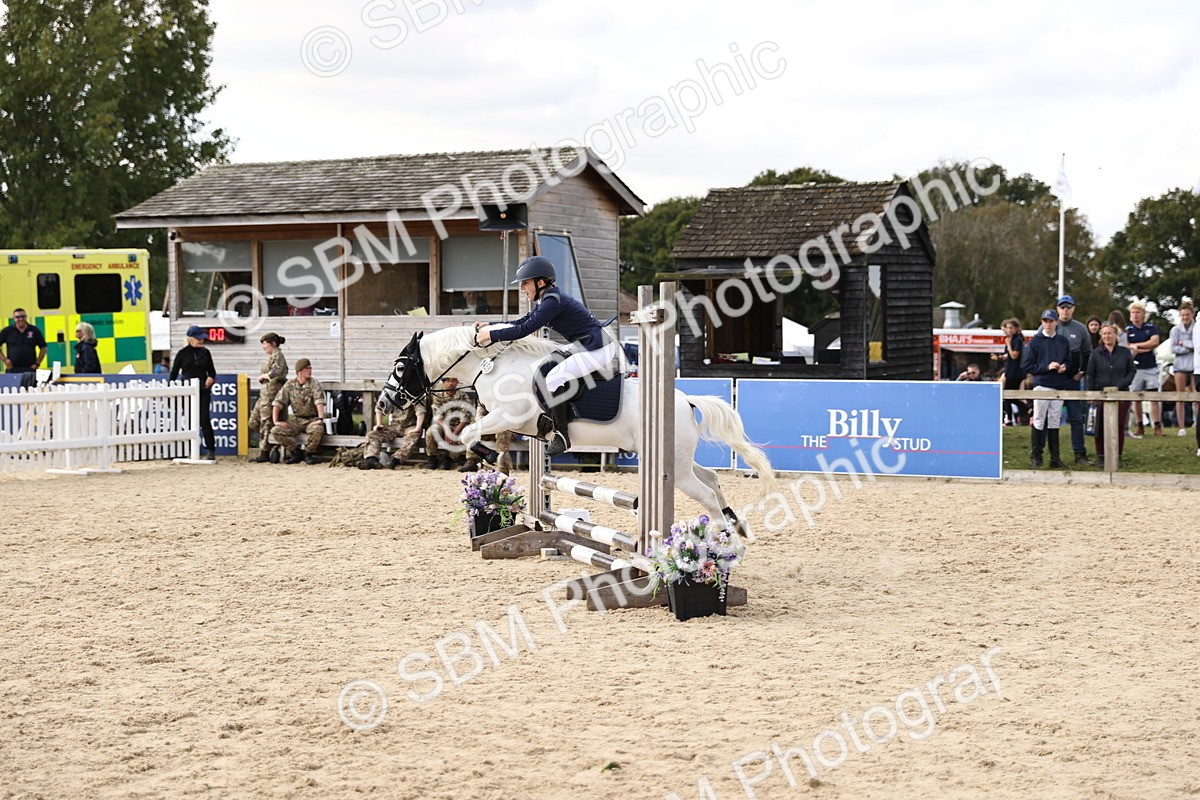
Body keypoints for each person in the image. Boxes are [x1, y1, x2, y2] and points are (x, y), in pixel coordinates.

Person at [473, 256, 619, 455]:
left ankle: (562, 435)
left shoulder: (552, 302)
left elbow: (524, 330)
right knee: (543, 368)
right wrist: (491, 325)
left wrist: (491, 335)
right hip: (585, 345)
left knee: (554, 378)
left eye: (525, 283)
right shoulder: (548, 299)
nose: (522, 288)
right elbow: (523, 321)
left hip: (597, 349)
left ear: (540, 282)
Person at [1021, 309, 1074, 469]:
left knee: (1054, 421)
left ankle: (1054, 458)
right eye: (1045, 321)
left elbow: (1069, 361)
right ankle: (1036, 456)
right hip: (1042, 384)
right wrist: (1046, 367)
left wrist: (1065, 367)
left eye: (1051, 321)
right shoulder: (1035, 342)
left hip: (1058, 385)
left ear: (1056, 322)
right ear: (1042, 322)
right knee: (1038, 419)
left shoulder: (1063, 341)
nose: (1048, 324)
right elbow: (1027, 365)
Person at [1086, 322, 1136, 468]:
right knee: (1099, 426)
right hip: (1100, 394)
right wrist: (1091, 394)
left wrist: (1121, 384)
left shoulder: (1125, 352)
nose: (1107, 336)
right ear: (1101, 336)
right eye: (1104, 334)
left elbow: (1132, 371)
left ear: (1115, 335)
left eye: (1110, 333)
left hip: (1121, 394)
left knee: (1119, 426)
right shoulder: (1096, 353)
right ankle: (1101, 455)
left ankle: (1116, 455)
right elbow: (1091, 374)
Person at [1054, 295, 1093, 465]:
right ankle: (1053, 456)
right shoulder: (1049, 326)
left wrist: (1081, 372)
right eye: (1062, 307)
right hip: (1053, 380)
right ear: (1057, 309)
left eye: (1068, 307)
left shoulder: (1080, 329)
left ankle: (1079, 453)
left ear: (1073, 309)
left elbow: (1087, 353)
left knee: (1076, 417)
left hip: (1072, 379)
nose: (1065, 310)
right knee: (1050, 418)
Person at [169, 325, 218, 458]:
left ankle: (210, 450)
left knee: (204, 420)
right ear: (190, 338)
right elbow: (174, 374)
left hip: (203, 390)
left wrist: (211, 378)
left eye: (202, 338)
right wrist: (170, 389)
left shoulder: (206, 352)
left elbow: (212, 371)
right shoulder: (182, 354)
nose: (201, 341)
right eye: (198, 338)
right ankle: (189, 450)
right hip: (188, 390)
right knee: (190, 421)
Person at [271, 358, 326, 465]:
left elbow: (319, 402)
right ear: (299, 371)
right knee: (275, 430)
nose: (310, 370)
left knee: (318, 430)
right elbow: (277, 403)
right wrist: (276, 421)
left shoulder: (314, 384)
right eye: (307, 368)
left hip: (312, 419)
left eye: (310, 368)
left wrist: (320, 419)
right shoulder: (290, 385)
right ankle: (296, 452)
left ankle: (308, 453)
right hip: (297, 420)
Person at [250, 333, 289, 462]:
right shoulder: (272, 356)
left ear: (273, 343)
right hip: (265, 393)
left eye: (265, 344)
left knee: (266, 421)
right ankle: (271, 443)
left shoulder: (278, 356)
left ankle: (265, 451)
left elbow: (278, 372)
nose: (263, 347)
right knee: (254, 421)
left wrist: (264, 376)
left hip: (272, 393)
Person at [360, 396, 428, 470]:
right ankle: (371, 459)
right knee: (372, 434)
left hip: (410, 426)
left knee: (413, 437)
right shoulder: (391, 394)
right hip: (395, 426)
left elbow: (420, 411)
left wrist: (417, 428)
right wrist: (379, 424)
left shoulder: (414, 395)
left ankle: (396, 460)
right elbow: (380, 407)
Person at [1126, 301, 1162, 437]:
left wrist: (1137, 346)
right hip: (1135, 368)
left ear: (1143, 314)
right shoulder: (1128, 330)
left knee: (1154, 397)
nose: (1135, 315)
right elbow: (1127, 346)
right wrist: (1145, 348)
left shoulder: (1151, 328)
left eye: (1138, 312)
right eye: (1133, 312)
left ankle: (1157, 425)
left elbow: (1154, 342)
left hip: (1150, 366)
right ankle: (1140, 425)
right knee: (1136, 397)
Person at [424, 377, 475, 470]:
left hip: (459, 425)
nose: (450, 383)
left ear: (457, 382)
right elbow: (437, 416)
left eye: (453, 380)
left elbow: (465, 417)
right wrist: (447, 429)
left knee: (464, 436)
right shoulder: (439, 396)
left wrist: (454, 433)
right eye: (448, 381)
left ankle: (449, 458)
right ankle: (432, 458)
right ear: (443, 383)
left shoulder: (462, 396)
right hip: (443, 424)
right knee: (431, 432)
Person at [1168, 302, 1195, 436]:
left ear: (1192, 315)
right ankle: (1181, 427)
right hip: (1180, 366)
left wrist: (1184, 343)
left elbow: (1198, 345)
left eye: (1187, 315)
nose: (1185, 317)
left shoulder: (1197, 328)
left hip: (1195, 366)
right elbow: (1173, 348)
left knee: (1196, 396)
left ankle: (1197, 424)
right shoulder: (1175, 330)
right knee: (1180, 396)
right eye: (1183, 315)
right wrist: (1189, 348)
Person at [1, 308, 47, 374]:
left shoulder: (34, 330)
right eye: (17, 317)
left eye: (23, 316)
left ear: (26, 317)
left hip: (30, 368)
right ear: (13, 318)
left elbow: (43, 348)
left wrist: (37, 364)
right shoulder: (7, 331)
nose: (21, 319)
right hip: (13, 368)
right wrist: (5, 360)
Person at [1000, 318, 1027, 426]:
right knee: (1009, 396)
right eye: (1007, 328)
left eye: (1011, 328)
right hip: (1011, 370)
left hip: (1015, 372)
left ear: (1016, 329)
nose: (1009, 330)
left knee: (1008, 395)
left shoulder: (1016, 340)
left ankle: (1016, 416)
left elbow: (1014, 355)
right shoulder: (1011, 339)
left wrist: (1008, 345)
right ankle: (1020, 415)